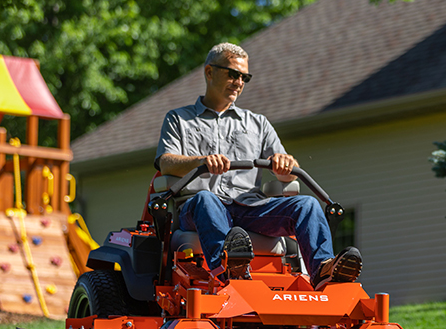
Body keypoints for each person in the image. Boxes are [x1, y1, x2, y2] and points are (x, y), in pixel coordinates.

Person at [154, 43, 360, 289]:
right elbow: (166, 163)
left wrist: (285, 165)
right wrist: (201, 162)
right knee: (206, 199)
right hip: (199, 209)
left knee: (307, 204)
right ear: (209, 72)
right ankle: (228, 266)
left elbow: (288, 173)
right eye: (232, 74)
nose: (238, 82)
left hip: (251, 209)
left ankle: (324, 270)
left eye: (244, 77)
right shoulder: (178, 118)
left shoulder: (258, 124)